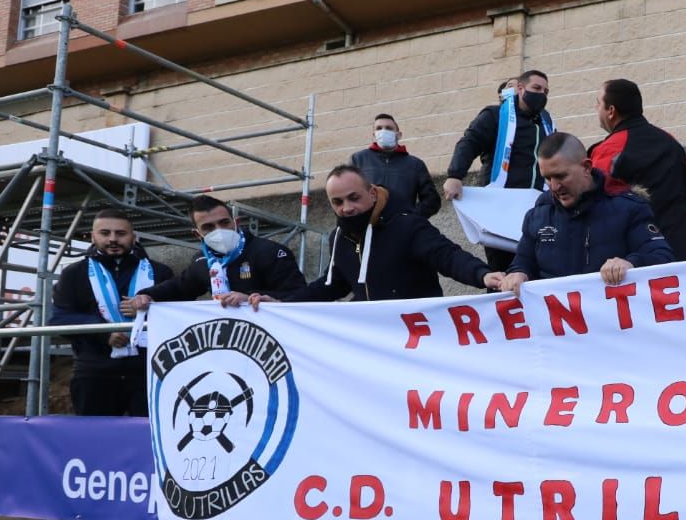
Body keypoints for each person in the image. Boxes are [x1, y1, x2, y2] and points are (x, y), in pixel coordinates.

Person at [291, 166, 501, 302]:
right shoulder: (338, 238)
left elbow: (447, 256)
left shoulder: (407, 225)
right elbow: (334, 283)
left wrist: (482, 275)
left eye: (353, 198)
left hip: (419, 334)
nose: (346, 208)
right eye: (337, 202)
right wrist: (283, 304)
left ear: (372, 194)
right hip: (374, 343)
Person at [500, 133, 674, 292]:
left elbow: (662, 256)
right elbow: (523, 261)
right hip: (558, 325)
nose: (553, 186)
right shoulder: (538, 216)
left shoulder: (629, 208)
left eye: (561, 176)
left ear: (586, 167)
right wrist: (518, 273)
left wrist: (631, 263)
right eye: (547, 178)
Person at [50, 209, 174, 416]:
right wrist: (103, 333)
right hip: (95, 371)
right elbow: (59, 320)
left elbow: (176, 316)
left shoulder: (160, 272)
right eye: (105, 233)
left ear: (134, 236)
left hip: (150, 370)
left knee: (148, 437)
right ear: (92, 236)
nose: (113, 239)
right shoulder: (74, 273)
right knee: (95, 439)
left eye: (121, 233)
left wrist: (149, 311)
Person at [443, 69, 553, 272]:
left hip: (535, 207)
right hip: (499, 207)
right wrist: (455, 175)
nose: (542, 94)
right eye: (536, 88)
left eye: (546, 91)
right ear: (520, 89)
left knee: (535, 269)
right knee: (503, 270)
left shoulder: (545, 123)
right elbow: (470, 142)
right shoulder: (495, 115)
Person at [126, 195, 306, 314]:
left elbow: (299, 295)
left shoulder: (270, 251)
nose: (219, 230)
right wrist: (148, 295)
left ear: (236, 222)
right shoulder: (201, 261)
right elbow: (180, 287)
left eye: (224, 222)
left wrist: (249, 297)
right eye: (208, 227)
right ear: (197, 234)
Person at [589, 78, 686, 261]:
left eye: (598, 104)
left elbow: (595, 202)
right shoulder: (671, 141)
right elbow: (685, 192)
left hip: (633, 256)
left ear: (611, 111)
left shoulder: (608, 149)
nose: (596, 109)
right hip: (678, 246)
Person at [350, 111, 440, 219]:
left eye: (388, 128)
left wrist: (410, 218)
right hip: (367, 228)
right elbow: (346, 194)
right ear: (374, 135)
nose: (383, 131)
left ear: (399, 135)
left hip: (403, 230)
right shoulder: (358, 160)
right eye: (379, 128)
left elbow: (432, 201)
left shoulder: (415, 164)